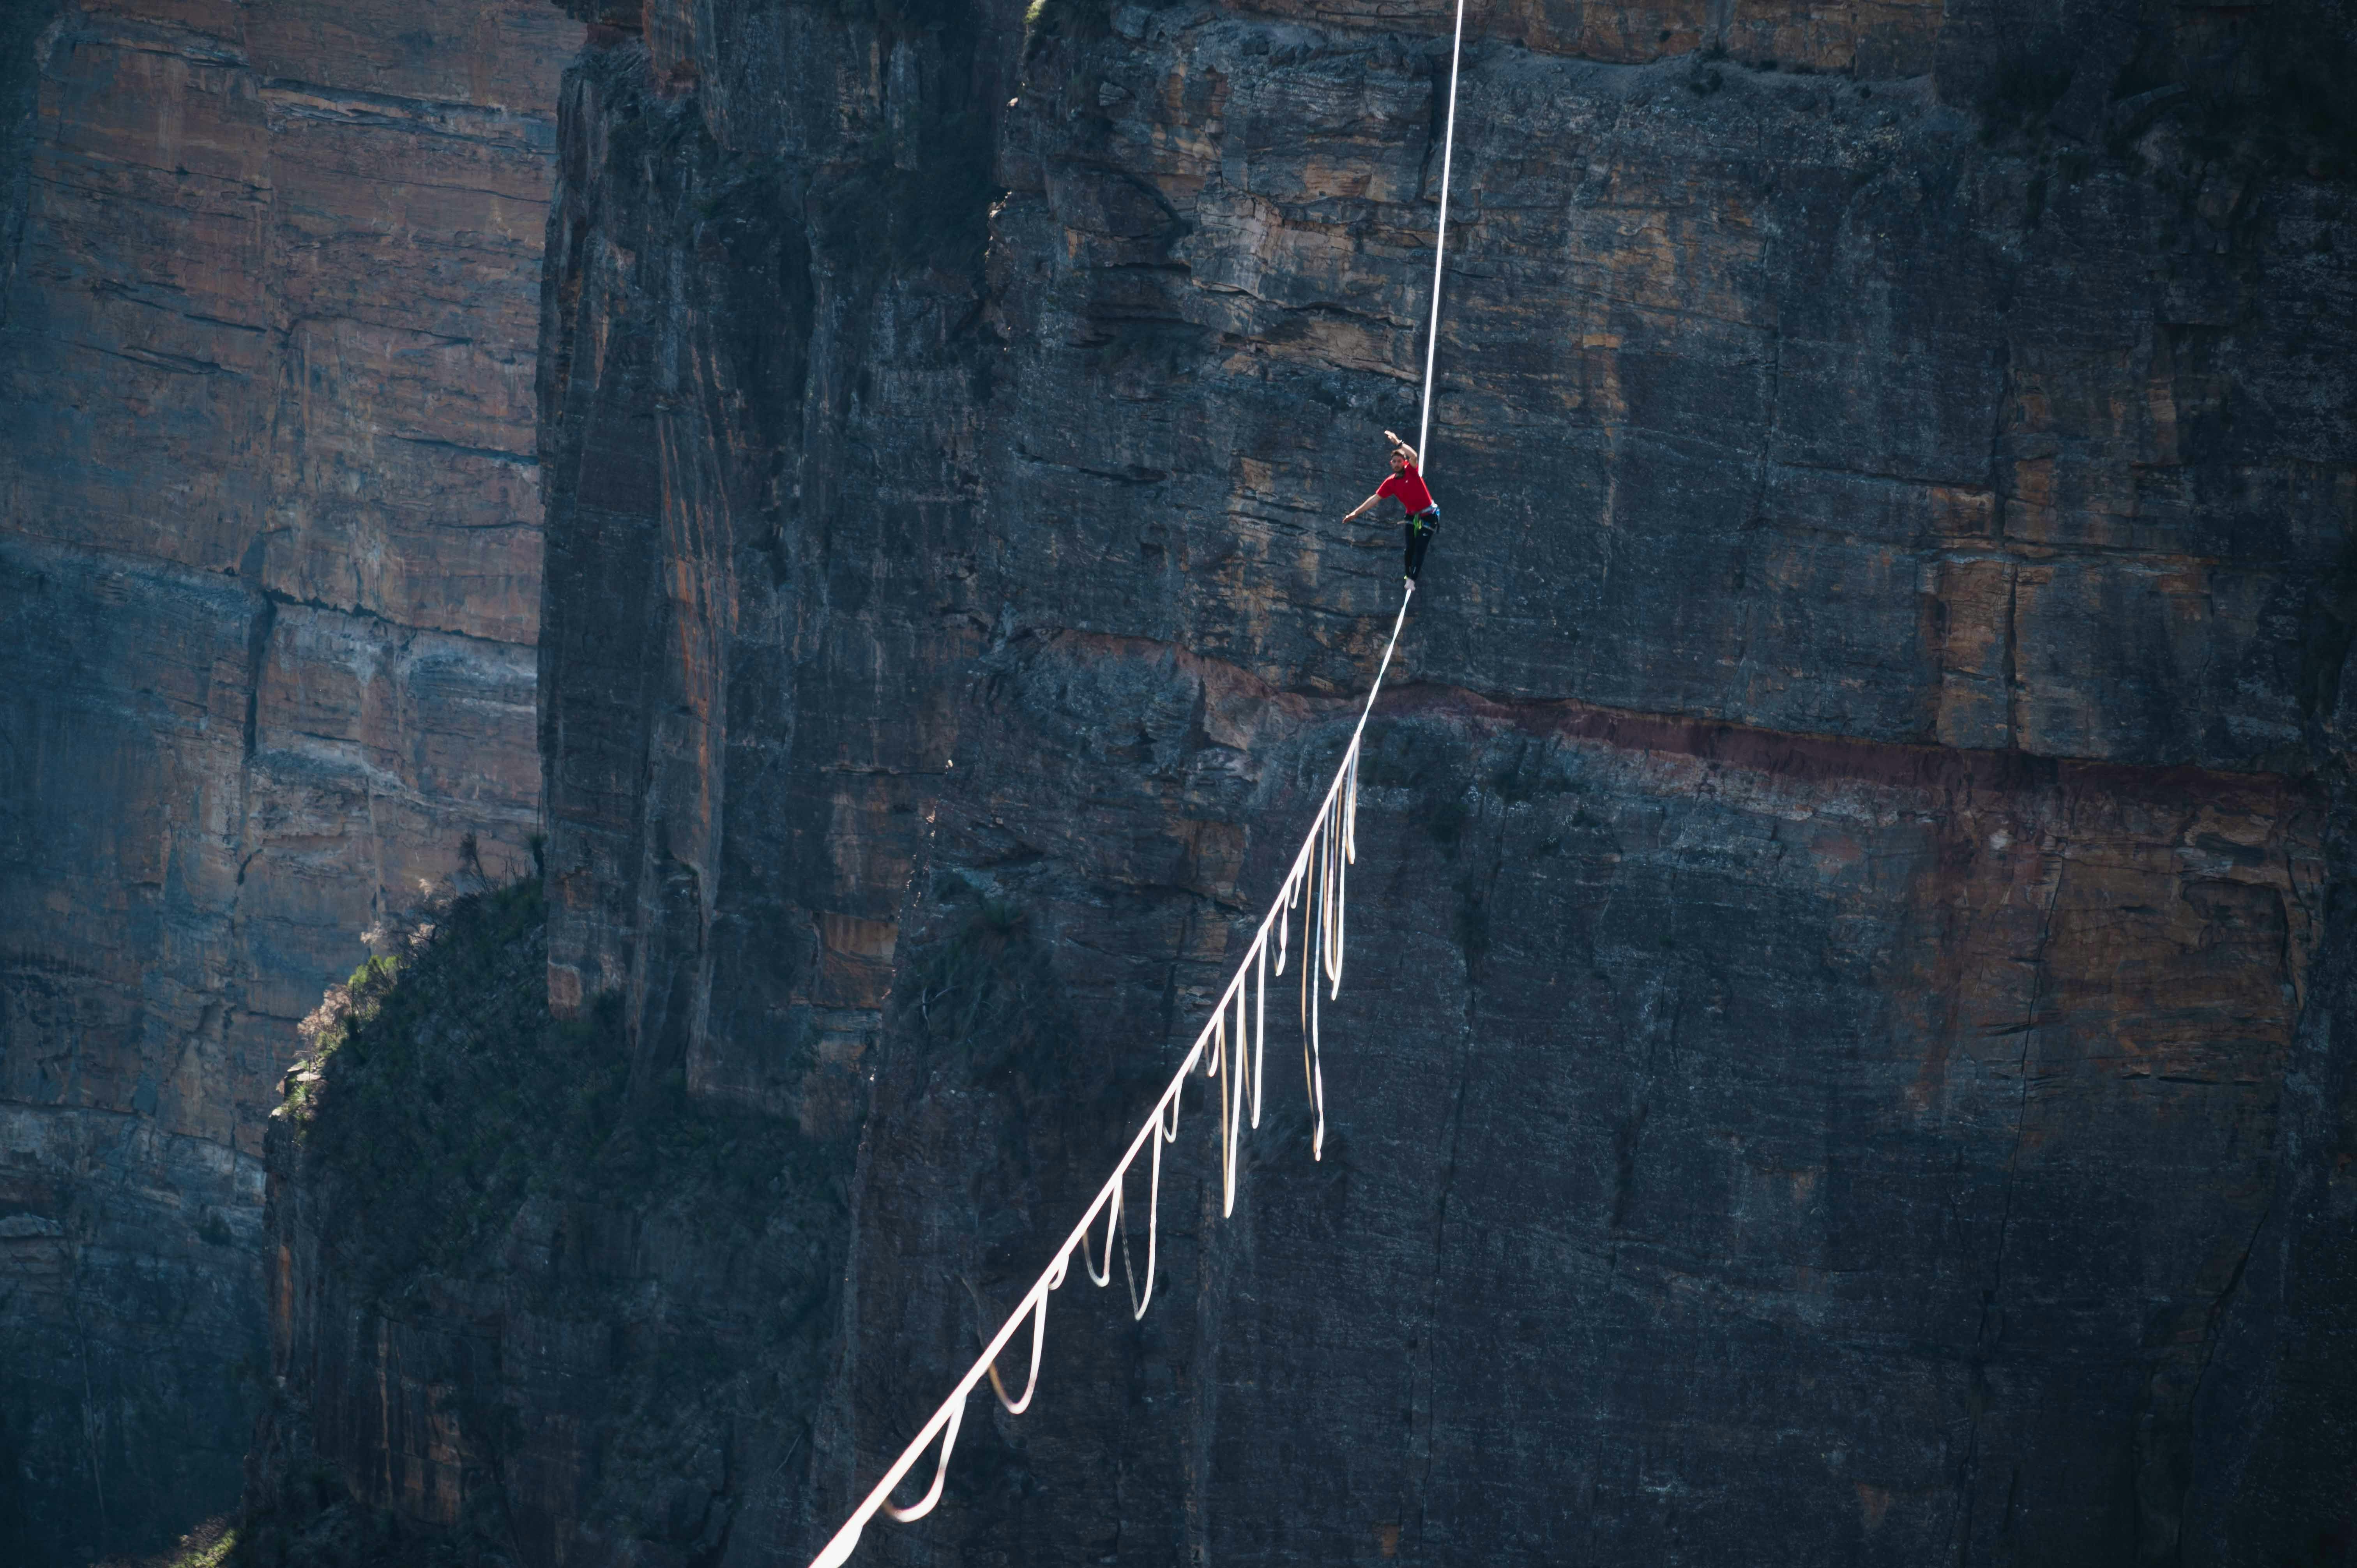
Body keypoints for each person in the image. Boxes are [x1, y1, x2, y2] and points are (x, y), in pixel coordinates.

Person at [1342, 429, 1441, 586]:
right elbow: (1375, 499)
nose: (1397, 464)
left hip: (1429, 514)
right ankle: (1408, 576)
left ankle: (1412, 581)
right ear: (1391, 464)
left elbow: (1414, 456)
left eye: (1399, 461)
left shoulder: (1411, 471)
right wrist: (1356, 513)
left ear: (1405, 462)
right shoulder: (1391, 482)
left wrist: (1398, 443)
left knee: (1420, 548)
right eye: (1394, 462)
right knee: (1409, 549)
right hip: (1412, 515)